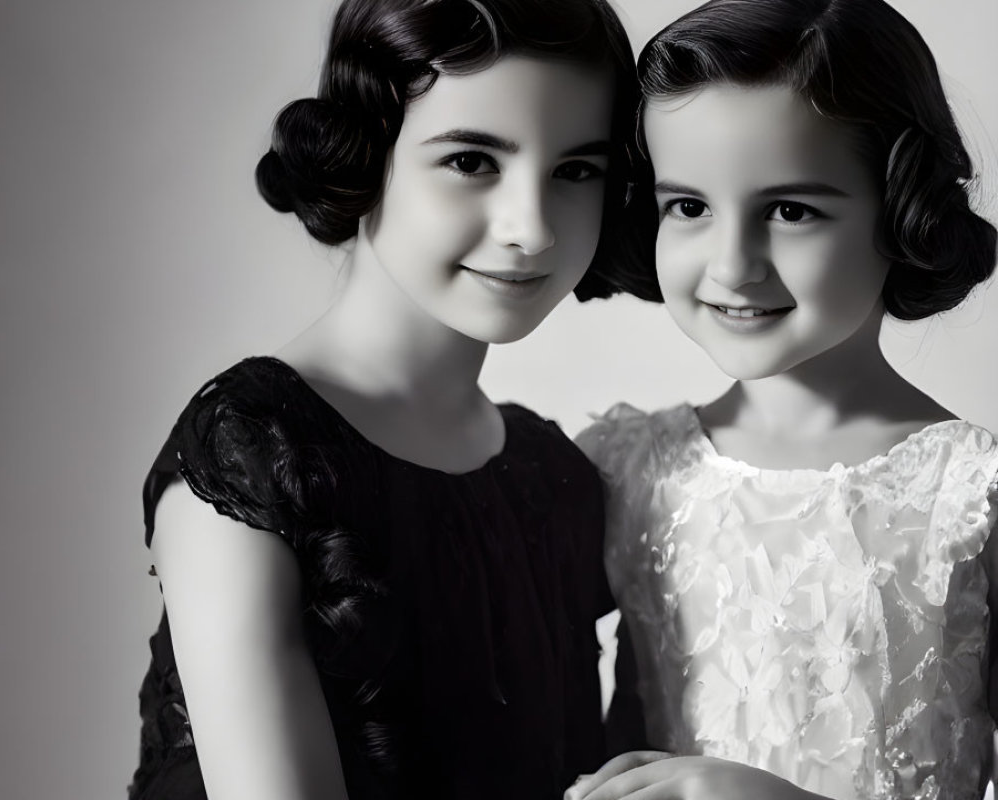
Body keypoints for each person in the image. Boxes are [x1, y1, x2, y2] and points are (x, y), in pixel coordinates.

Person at [126, 0, 654, 798]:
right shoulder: (251, 455)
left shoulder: (553, 474)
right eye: (473, 160)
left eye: (576, 169)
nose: (533, 228)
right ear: (366, 155)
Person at [571, 0, 998, 798]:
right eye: (688, 207)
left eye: (790, 210)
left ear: (901, 208)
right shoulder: (623, 473)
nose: (732, 265)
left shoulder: (973, 495)